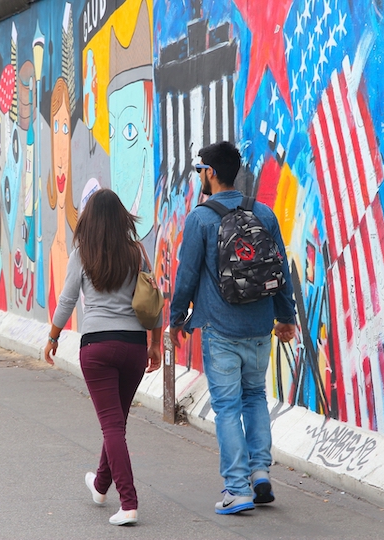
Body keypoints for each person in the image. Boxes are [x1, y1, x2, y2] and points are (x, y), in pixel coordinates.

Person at [169, 141, 297, 515]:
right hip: (259, 328)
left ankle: (237, 489)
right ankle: (259, 472)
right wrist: (286, 317)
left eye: (199, 171)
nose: (200, 178)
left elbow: (187, 276)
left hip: (220, 330)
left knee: (226, 407)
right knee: (255, 397)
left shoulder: (201, 219)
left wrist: (177, 318)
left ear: (209, 172)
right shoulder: (264, 213)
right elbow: (281, 272)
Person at [45, 188, 162, 526]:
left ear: (90, 221)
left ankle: (128, 502)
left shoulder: (82, 253)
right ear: (121, 217)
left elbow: (67, 300)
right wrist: (154, 345)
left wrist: (53, 337)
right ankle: (100, 486)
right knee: (117, 423)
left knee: (112, 425)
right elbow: (153, 300)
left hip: (96, 348)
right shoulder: (137, 252)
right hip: (133, 347)